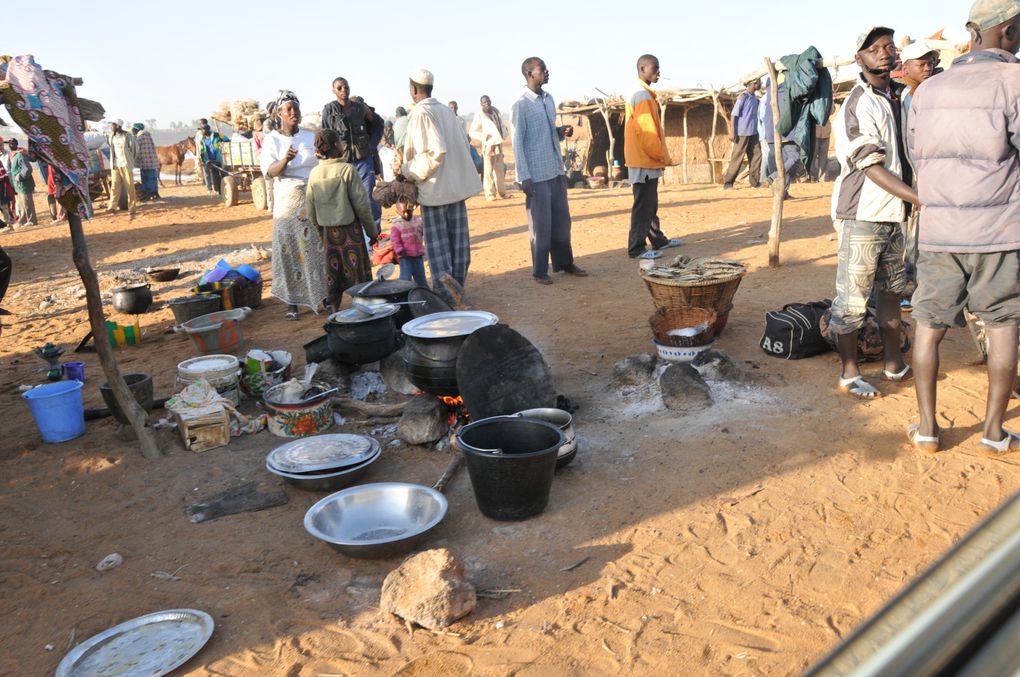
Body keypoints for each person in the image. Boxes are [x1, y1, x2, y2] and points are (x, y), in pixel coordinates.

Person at [906, 1, 1020, 454]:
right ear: (1008, 31)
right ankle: (993, 433)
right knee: (1003, 325)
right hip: (998, 233)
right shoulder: (1014, 82)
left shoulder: (929, 90)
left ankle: (928, 429)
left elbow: (918, 158)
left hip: (938, 231)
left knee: (928, 326)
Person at [829, 26, 918, 399]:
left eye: (888, 46)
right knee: (852, 299)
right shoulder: (857, 103)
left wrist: (910, 201)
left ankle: (893, 363)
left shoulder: (900, 97)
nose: (884, 52)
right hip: (863, 214)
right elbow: (870, 165)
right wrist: (919, 197)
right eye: (874, 48)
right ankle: (849, 373)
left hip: (896, 213)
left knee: (892, 293)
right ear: (859, 58)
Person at [398, 68, 481, 293]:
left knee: (439, 252)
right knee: (459, 248)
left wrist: (406, 169)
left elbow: (436, 152)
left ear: (414, 89)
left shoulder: (420, 113)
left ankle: (447, 297)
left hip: (434, 192)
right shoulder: (447, 112)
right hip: (455, 190)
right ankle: (458, 291)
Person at [512, 57, 587, 284]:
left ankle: (564, 262)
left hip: (555, 170)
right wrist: (523, 177)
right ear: (529, 74)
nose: (547, 72)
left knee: (562, 221)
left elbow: (543, 133)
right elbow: (517, 142)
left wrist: (558, 131)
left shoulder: (548, 99)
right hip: (536, 176)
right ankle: (540, 271)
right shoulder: (520, 104)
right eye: (542, 69)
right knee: (541, 225)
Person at [259, 91, 327, 320]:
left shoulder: (309, 136)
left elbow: (321, 162)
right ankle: (292, 304)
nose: (293, 113)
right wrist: (285, 160)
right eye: (288, 109)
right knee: (289, 251)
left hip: (311, 199)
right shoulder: (272, 140)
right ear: (279, 114)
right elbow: (270, 171)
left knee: (314, 250)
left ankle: (320, 297)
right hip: (287, 203)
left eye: (295, 108)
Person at [305, 128, 377, 313]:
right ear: (336, 145)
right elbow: (362, 205)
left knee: (333, 276)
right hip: (350, 233)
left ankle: (335, 311)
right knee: (358, 276)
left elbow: (311, 210)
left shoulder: (314, 174)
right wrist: (372, 232)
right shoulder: (347, 170)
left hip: (329, 234)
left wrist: (322, 233)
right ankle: (364, 312)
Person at [624, 54, 683, 260]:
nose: (658, 72)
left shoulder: (644, 94)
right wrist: (661, 157)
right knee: (643, 204)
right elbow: (647, 132)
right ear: (642, 70)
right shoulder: (641, 95)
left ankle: (658, 239)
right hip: (643, 158)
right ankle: (636, 248)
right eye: (654, 68)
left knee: (650, 203)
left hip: (645, 158)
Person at [321, 77, 382, 225]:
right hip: (343, 163)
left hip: (364, 161)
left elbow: (378, 123)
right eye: (340, 88)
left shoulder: (359, 107)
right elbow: (324, 134)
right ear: (333, 91)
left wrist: (371, 144)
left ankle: (375, 232)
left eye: (346, 87)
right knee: (345, 199)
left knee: (368, 197)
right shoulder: (329, 110)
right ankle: (354, 234)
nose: (344, 90)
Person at [722, 79, 763, 189]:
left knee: (757, 156)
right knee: (737, 157)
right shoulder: (743, 97)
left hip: (753, 133)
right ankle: (728, 183)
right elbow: (733, 115)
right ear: (753, 83)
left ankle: (754, 182)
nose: (761, 84)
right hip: (742, 133)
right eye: (759, 82)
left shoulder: (755, 98)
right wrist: (732, 132)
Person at [470, 95, 510, 200]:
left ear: (490, 101)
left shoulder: (496, 112)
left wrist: (505, 133)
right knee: (488, 171)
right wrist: (484, 137)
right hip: (489, 146)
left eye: (488, 101)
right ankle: (490, 194)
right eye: (484, 102)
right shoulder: (479, 115)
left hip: (498, 144)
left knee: (500, 170)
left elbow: (500, 126)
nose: (486, 103)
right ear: (481, 104)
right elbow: (472, 132)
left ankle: (502, 193)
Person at [390, 201, 428, 287]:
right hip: (405, 257)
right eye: (403, 212)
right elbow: (395, 241)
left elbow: (424, 231)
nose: (407, 214)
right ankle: (404, 296)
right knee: (405, 279)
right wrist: (400, 251)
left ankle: (425, 295)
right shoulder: (396, 225)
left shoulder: (417, 221)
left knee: (421, 278)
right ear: (398, 212)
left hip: (417, 255)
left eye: (408, 211)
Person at [106, 119, 137, 213]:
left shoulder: (128, 136)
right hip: (115, 165)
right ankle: (112, 207)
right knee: (114, 186)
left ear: (118, 126)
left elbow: (135, 149)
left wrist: (131, 161)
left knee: (129, 187)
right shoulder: (111, 136)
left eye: (113, 125)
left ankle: (132, 207)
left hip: (125, 164)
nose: (111, 127)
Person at [8, 139, 36, 227]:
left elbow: (27, 169)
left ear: (16, 144)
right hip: (18, 185)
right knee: (21, 204)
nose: (11, 145)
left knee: (28, 204)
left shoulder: (20, 155)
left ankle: (32, 220)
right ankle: (23, 220)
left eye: (13, 143)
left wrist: (18, 177)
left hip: (24, 184)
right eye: (9, 144)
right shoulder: (13, 155)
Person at [132, 123, 161, 201]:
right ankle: (155, 193)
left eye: (133, 129)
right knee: (153, 178)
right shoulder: (148, 136)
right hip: (152, 161)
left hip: (144, 162)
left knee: (146, 178)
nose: (132, 131)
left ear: (137, 129)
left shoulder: (140, 138)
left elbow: (135, 149)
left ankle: (148, 194)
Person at [200, 124, 226, 194]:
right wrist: (204, 160)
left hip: (219, 158)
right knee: (215, 174)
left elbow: (227, 140)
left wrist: (222, 146)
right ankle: (218, 190)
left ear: (207, 130)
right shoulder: (202, 140)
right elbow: (202, 151)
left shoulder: (217, 135)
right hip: (210, 160)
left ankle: (224, 188)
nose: (201, 131)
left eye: (203, 130)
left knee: (223, 174)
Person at [194, 120, 208, 188]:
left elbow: (198, 143)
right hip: (204, 152)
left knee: (203, 167)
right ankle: (205, 181)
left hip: (202, 152)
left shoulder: (199, 133)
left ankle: (205, 181)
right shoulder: (209, 131)